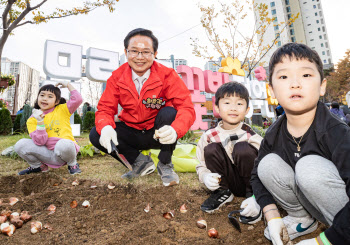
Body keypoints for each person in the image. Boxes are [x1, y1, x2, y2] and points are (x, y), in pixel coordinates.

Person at [244, 43, 350, 245]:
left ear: (322, 86)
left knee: (308, 167)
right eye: (283, 77)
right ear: (272, 90)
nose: (295, 84)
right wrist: (271, 214)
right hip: (317, 208)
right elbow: (257, 175)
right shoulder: (274, 133)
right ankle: (301, 219)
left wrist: (324, 242)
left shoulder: (336, 132)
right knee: (267, 164)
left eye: (306, 75)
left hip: (343, 214)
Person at [89, 28, 195, 187]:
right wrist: (105, 127)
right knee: (96, 134)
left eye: (146, 52)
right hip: (132, 131)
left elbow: (186, 107)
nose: (139, 57)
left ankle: (165, 164)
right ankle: (140, 162)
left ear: (155, 53)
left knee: (169, 113)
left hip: (158, 133)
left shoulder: (168, 75)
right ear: (126, 52)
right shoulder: (117, 77)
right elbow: (105, 108)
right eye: (134, 51)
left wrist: (175, 130)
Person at [196, 82, 263, 213]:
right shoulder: (209, 136)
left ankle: (254, 197)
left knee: (242, 148)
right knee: (211, 149)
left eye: (239, 104)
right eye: (227, 103)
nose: (233, 108)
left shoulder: (250, 135)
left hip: (251, 184)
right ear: (216, 108)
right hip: (228, 182)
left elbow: (267, 162)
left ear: (247, 110)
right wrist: (205, 176)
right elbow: (201, 165)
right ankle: (222, 193)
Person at [15, 82, 83, 175]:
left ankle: (72, 164)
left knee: (64, 143)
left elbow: (78, 99)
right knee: (20, 144)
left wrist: (68, 85)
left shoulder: (62, 109)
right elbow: (40, 142)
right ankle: (38, 167)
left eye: (50, 96)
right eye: (42, 95)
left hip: (64, 152)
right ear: (38, 97)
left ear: (57, 101)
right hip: (46, 154)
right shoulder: (32, 119)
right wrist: (40, 122)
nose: (45, 99)